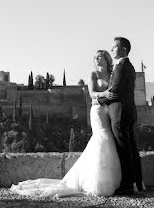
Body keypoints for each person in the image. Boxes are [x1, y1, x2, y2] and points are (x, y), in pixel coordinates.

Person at [10, 50, 121, 197]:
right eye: (96, 58)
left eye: (101, 57)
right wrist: (104, 94)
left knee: (108, 140)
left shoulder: (112, 75)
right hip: (98, 111)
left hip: (110, 111)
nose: (98, 60)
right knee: (102, 138)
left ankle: (112, 181)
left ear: (107, 59)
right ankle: (98, 183)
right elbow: (92, 94)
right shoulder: (93, 75)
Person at [97, 36, 144, 194]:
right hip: (128, 111)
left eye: (114, 47)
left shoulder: (122, 66)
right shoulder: (128, 66)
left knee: (124, 148)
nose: (111, 50)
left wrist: (99, 99)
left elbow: (114, 91)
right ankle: (138, 182)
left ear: (123, 49)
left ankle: (127, 185)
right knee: (132, 148)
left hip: (119, 113)